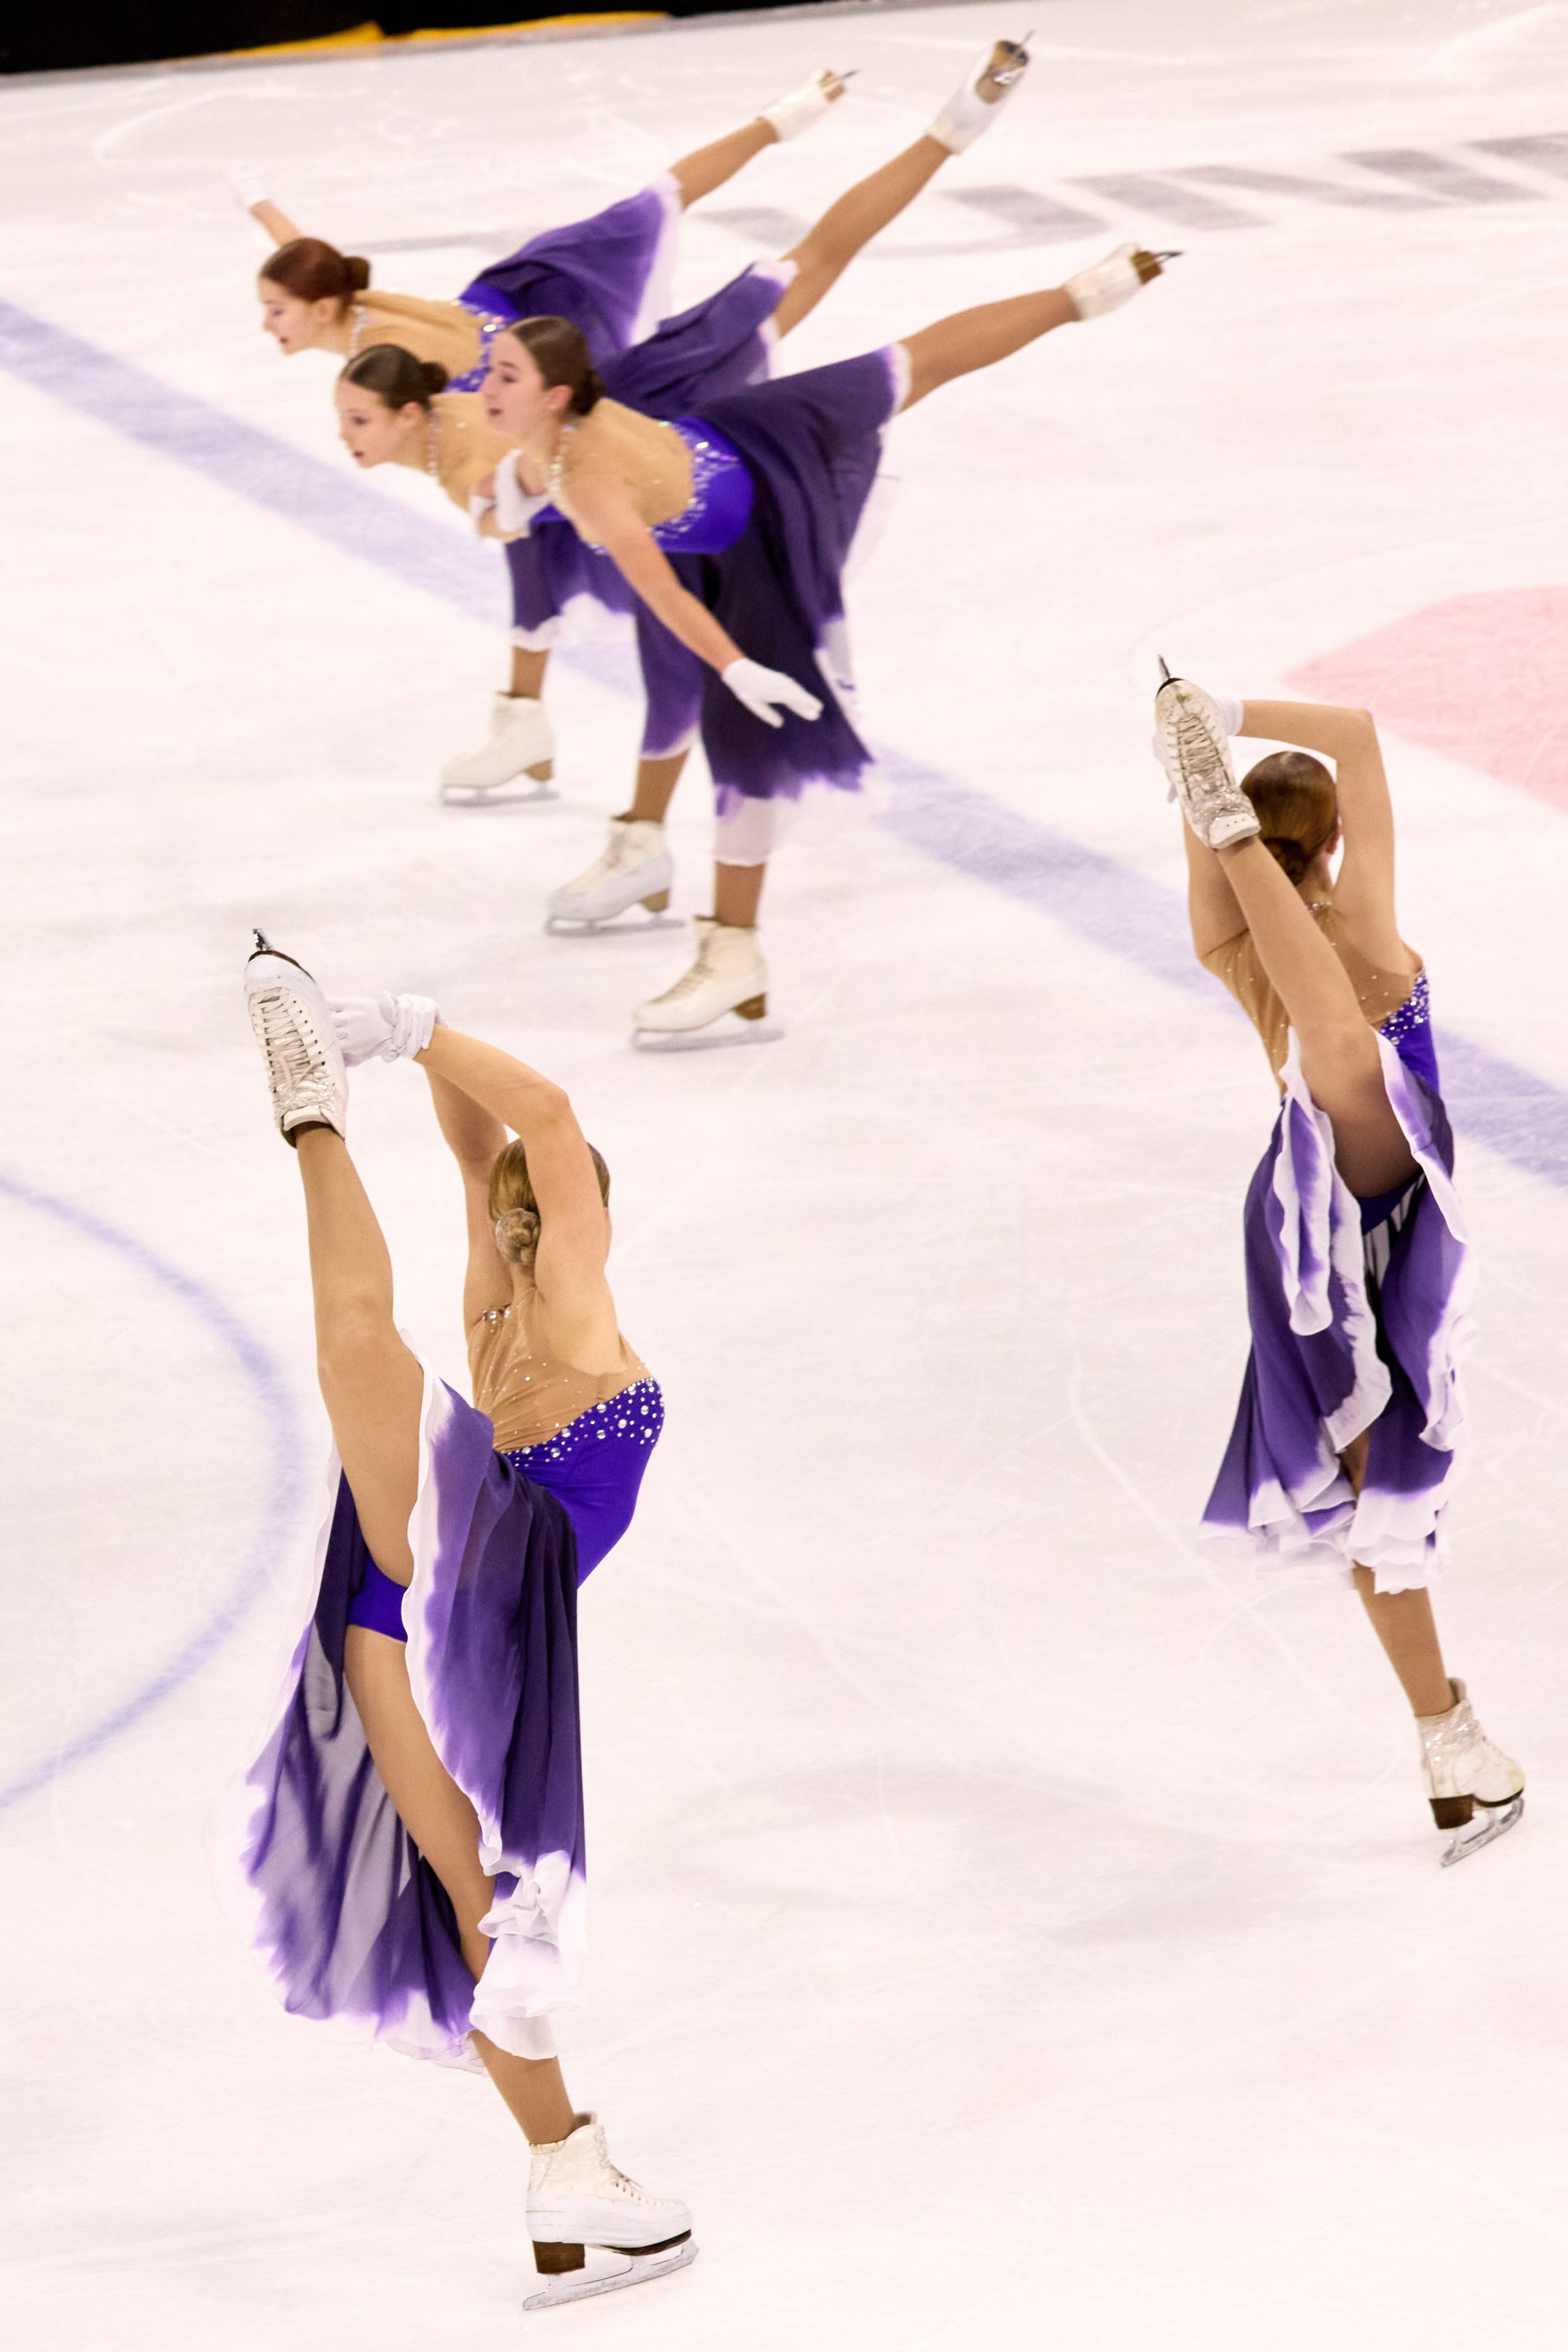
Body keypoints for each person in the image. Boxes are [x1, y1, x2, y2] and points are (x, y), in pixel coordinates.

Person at [231, 935, 688, 2309]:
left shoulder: (570, 1302)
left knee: (360, 1352)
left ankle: (308, 1112)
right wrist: (429, 1067)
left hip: (466, 1594)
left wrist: (421, 1028)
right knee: (471, 1894)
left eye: (540, 1211)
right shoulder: (507, 1296)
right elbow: (494, 1147)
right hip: (436, 1605)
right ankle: (569, 2164)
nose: (521, 1223)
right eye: (513, 1214)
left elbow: (543, 1126)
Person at [479, 238, 1170, 1042]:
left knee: (746, 747)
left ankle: (734, 956)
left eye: (504, 377)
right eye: (491, 371)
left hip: (757, 539)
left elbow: (659, 592)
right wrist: (502, 501)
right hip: (749, 435)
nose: (487, 387)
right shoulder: (567, 432)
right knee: (913, 367)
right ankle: (1079, 295)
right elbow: (524, 483)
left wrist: (737, 669)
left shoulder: (588, 478)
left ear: (557, 395)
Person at [232, 66, 848, 794]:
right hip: (513, 301)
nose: (267, 323)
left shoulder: (377, 361)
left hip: (517, 384)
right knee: (651, 204)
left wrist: (500, 485)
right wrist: (260, 206)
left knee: (538, 552)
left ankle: (528, 719)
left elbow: (454, 420)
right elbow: (307, 255)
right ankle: (781, 119)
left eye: (277, 310)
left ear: (320, 308)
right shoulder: (343, 297)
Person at [1154, 674, 1524, 1863]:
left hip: (1331, 1203)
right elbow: (1357, 734)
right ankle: (1446, 1732)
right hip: (1339, 1192)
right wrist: (1224, 718)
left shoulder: (1238, 946)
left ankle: (1446, 1731)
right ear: (1331, 846)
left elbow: (1246, 896)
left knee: (1334, 1045)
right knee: (1375, 1509)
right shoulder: (1359, 919)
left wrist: (1192, 753)